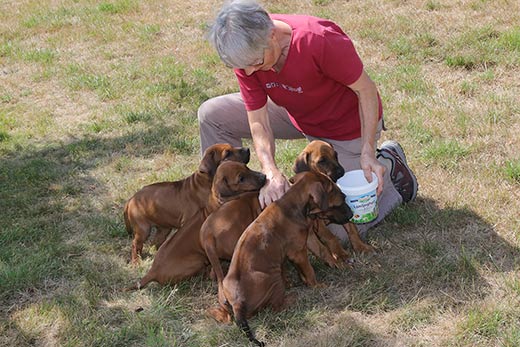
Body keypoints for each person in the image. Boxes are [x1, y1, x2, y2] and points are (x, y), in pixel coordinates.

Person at [198, 0, 417, 237]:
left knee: (334, 230)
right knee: (211, 115)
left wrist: (366, 150)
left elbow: (366, 91)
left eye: (256, 63)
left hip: (346, 128)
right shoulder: (249, 54)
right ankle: (232, 209)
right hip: (295, 110)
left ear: (271, 35)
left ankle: (389, 168)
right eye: (244, 67)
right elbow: (258, 120)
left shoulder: (319, 40)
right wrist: (270, 170)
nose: (249, 72)